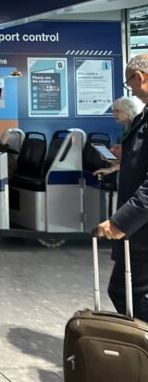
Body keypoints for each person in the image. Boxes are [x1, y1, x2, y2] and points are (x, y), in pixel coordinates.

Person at [98, 54, 148, 321]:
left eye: (130, 84)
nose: (132, 91)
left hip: (142, 226)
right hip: (140, 225)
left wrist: (121, 222)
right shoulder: (145, 116)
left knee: (126, 291)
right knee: (126, 291)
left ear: (139, 77)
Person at [93, 96, 143, 178]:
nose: (114, 114)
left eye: (117, 111)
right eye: (113, 111)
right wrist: (109, 155)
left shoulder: (138, 128)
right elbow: (121, 157)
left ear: (128, 111)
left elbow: (137, 157)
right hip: (125, 172)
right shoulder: (123, 131)